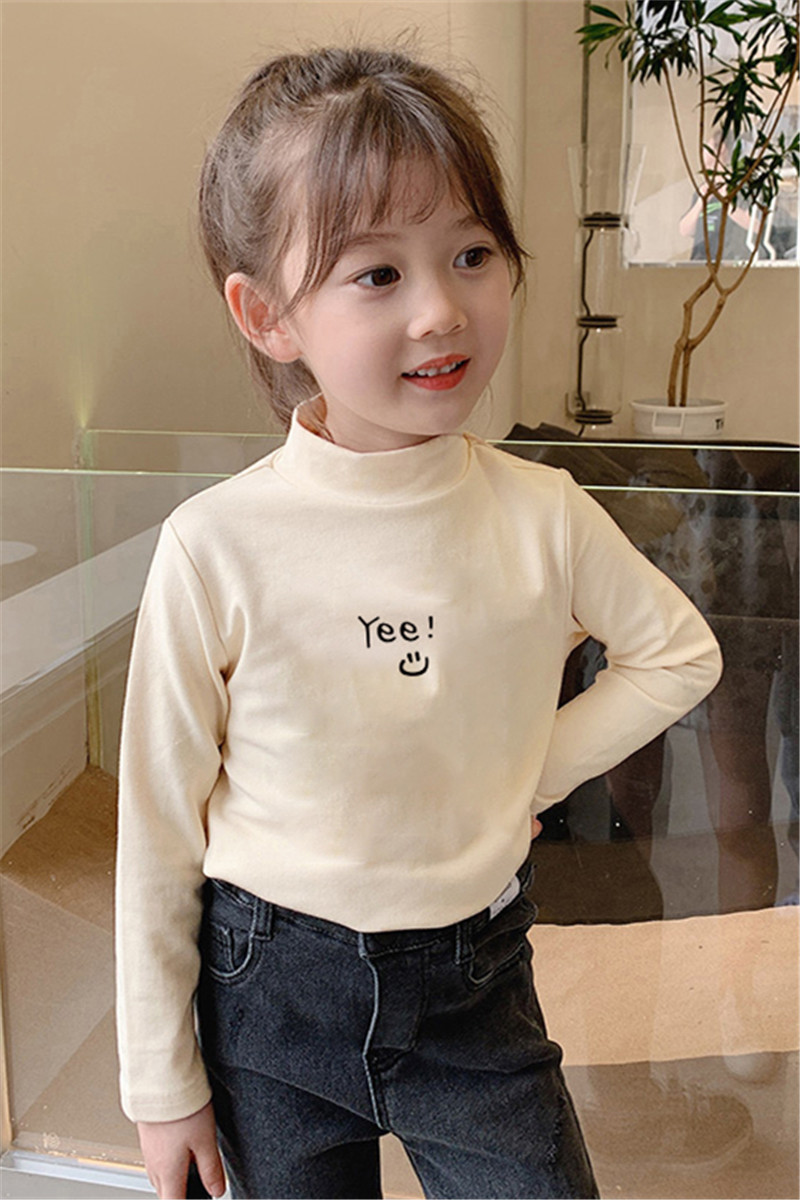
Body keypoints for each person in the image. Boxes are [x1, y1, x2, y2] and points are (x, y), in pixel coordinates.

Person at [115, 45, 723, 1200]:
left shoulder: (542, 511)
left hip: (471, 993)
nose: (442, 310)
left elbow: (675, 654)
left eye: (471, 253)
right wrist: (161, 1083)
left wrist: (525, 771)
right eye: (376, 273)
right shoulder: (216, 543)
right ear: (266, 314)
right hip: (267, 998)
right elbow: (157, 828)